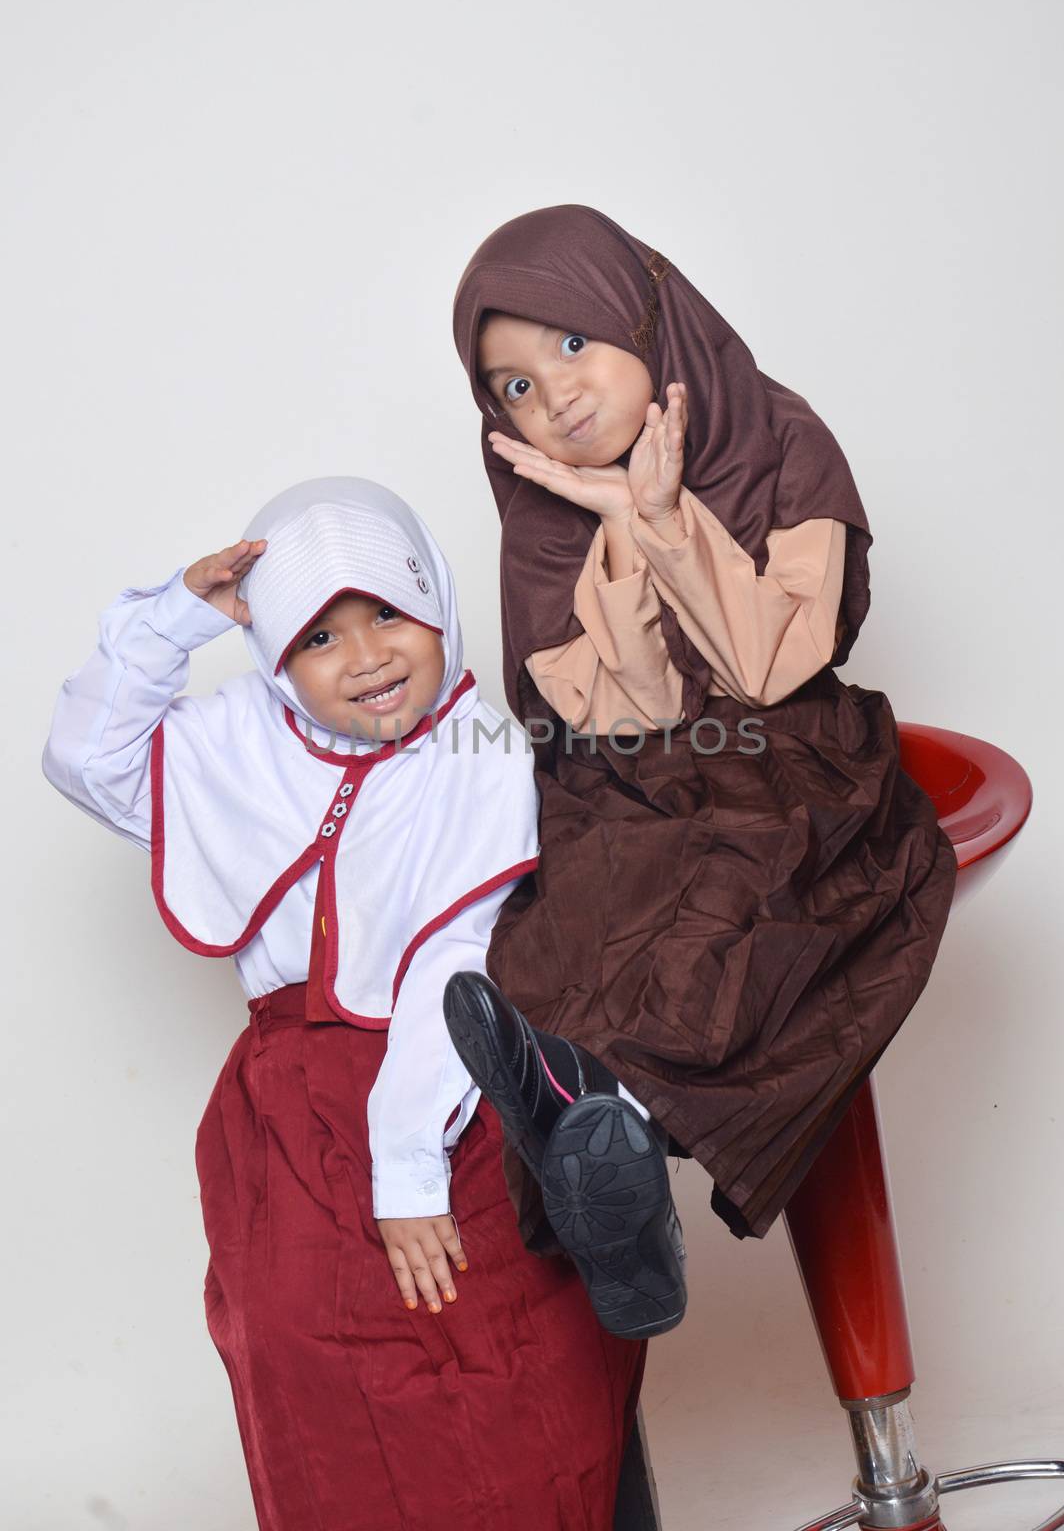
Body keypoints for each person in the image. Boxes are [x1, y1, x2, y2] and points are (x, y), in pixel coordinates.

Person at [42, 476, 645, 1531]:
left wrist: (406, 1165)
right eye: (317, 636)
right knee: (304, 1382)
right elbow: (84, 758)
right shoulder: (234, 743)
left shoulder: (479, 752)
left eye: (387, 614)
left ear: (435, 606)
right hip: (284, 1118)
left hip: (452, 1098)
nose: (365, 656)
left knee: (508, 1383)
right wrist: (174, 620)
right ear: (274, 658)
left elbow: (453, 965)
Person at [444, 205, 958, 1328]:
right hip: (626, 771)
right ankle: (610, 1181)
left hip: (788, 754)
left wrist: (662, 517)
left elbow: (769, 666)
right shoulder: (540, 514)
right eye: (514, 385)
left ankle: (597, 1119)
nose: (555, 395)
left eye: (570, 343)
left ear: (643, 314)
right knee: (566, 913)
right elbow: (625, 711)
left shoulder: (777, 438)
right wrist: (612, 529)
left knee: (730, 898)